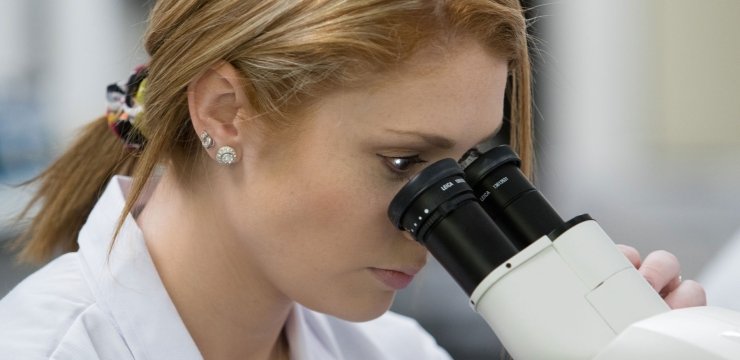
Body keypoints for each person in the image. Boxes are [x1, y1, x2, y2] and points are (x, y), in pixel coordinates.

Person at [0, 1, 705, 359]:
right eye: (402, 165)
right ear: (224, 113)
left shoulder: (396, 352)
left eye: (465, 171)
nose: (433, 222)